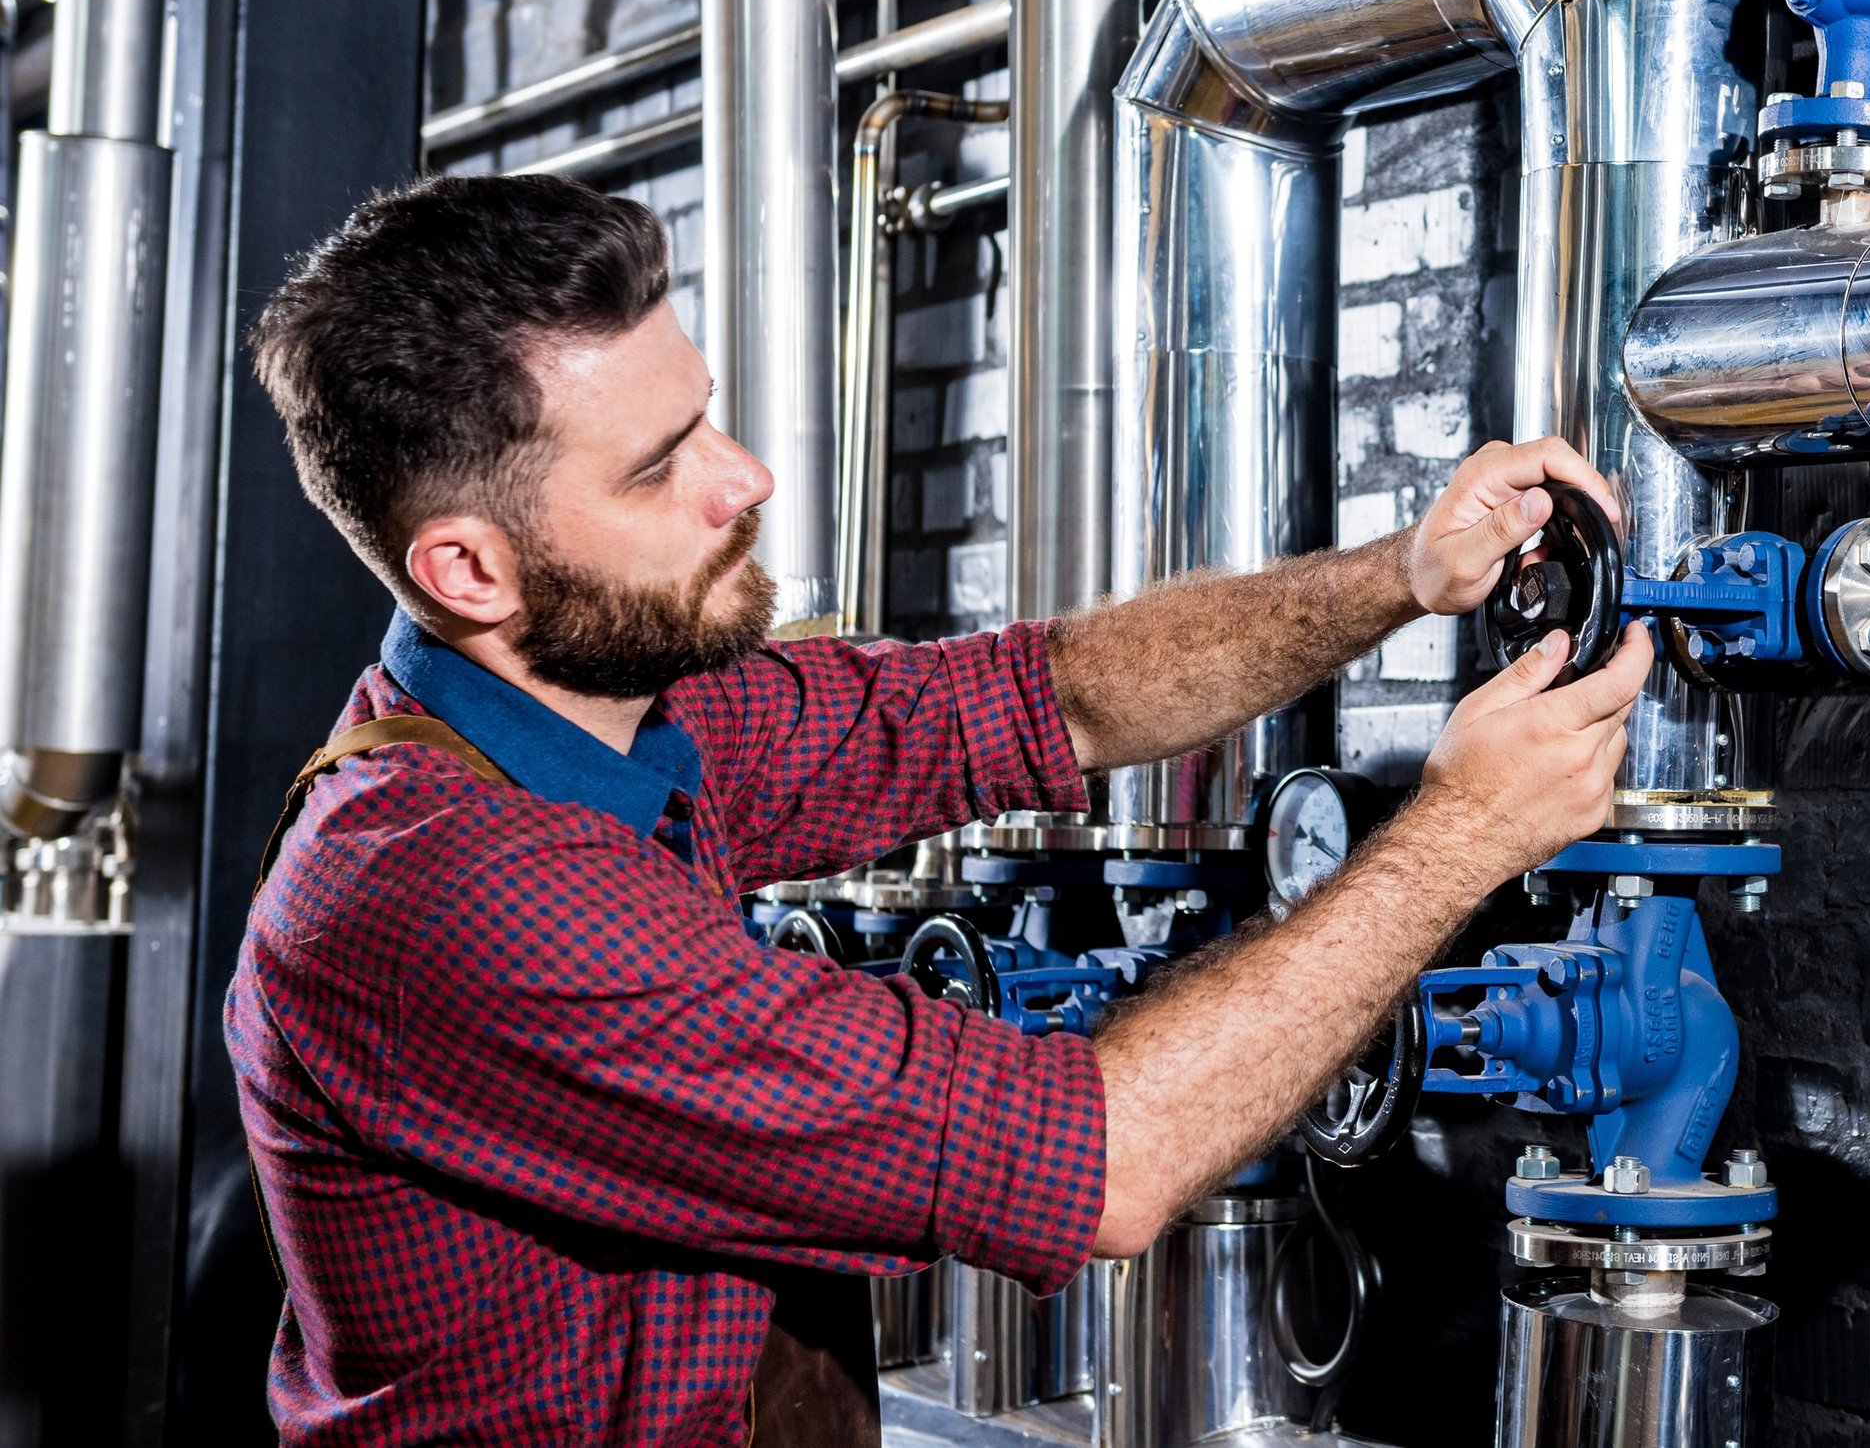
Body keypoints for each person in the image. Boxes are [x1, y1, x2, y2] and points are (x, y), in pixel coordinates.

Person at [225, 172, 1652, 1446]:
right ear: (471, 572)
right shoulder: (460, 893)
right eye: (659, 468)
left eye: (703, 413)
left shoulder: (627, 714)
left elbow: (1051, 697)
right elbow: (1106, 1163)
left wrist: (1402, 574)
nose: (744, 478)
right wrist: (1458, 837)